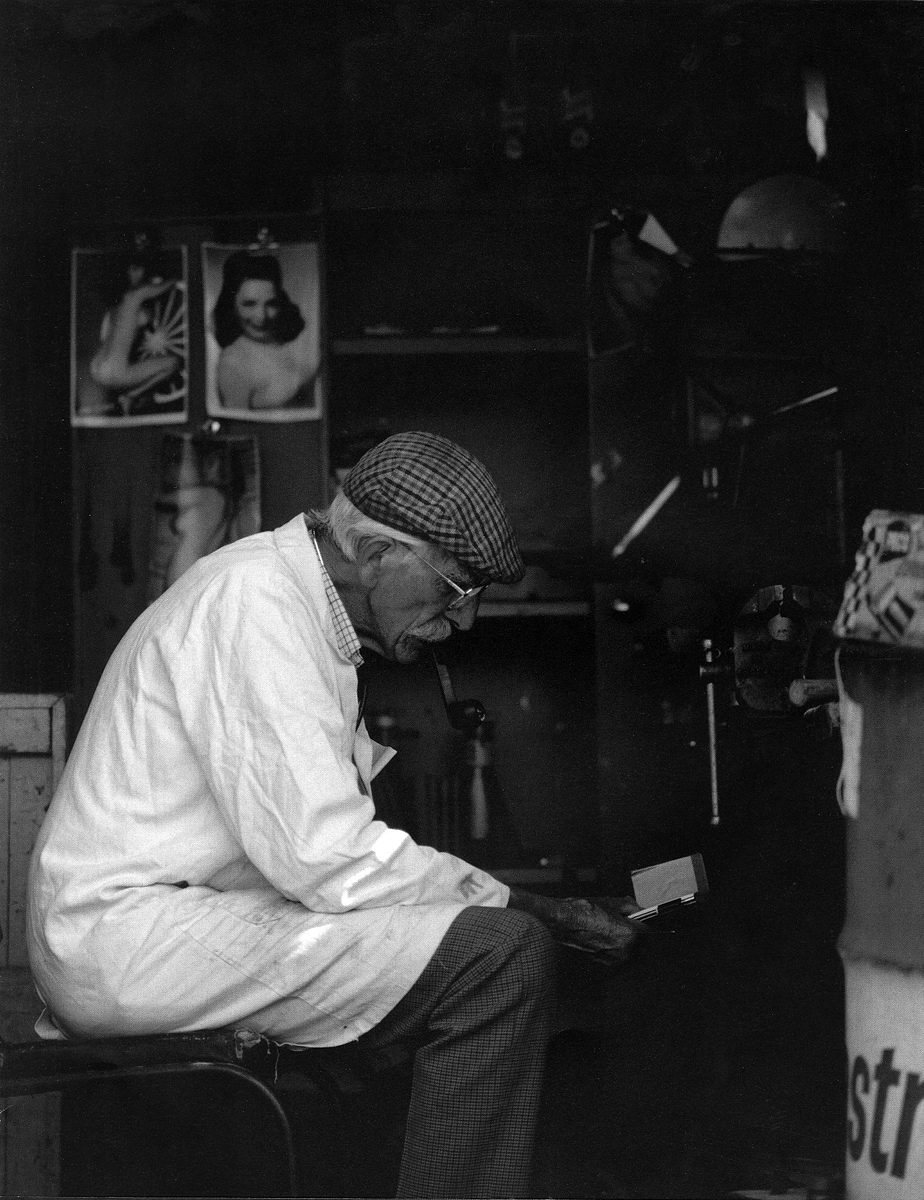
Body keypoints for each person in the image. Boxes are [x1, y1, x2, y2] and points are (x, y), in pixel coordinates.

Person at [26, 430, 638, 1198]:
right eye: (457, 591)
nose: (467, 623)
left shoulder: (298, 609)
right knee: (500, 955)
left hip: (176, 922)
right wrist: (538, 909)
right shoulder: (256, 606)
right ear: (378, 555)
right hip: (132, 937)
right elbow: (327, 858)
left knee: (465, 959)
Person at [77, 254, 186, 418]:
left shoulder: (117, 304)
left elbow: (135, 322)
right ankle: (131, 396)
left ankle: (127, 398)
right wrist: (177, 278)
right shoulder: (136, 294)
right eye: (135, 269)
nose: (139, 272)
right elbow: (168, 285)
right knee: (173, 363)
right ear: (126, 272)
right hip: (113, 371)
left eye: (140, 268)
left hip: (96, 367)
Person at [212, 249, 319, 411]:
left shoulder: (293, 343)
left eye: (271, 304)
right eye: (249, 304)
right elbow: (238, 426)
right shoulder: (232, 362)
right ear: (231, 305)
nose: (261, 316)